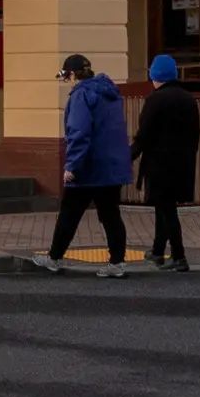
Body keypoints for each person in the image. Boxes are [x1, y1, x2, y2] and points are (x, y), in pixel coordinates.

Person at [42, 53, 132, 271]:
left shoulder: (81, 95)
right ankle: (118, 262)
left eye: (66, 77)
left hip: (89, 166)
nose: (66, 81)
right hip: (111, 166)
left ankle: (54, 257)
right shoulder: (110, 93)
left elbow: (79, 132)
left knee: (69, 214)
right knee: (111, 215)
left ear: (73, 74)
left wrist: (71, 165)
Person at [130, 53, 200, 269]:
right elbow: (195, 134)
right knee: (164, 207)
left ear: (155, 76)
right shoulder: (188, 99)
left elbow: (144, 134)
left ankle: (179, 256)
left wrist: (128, 156)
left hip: (159, 164)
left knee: (167, 210)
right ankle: (157, 250)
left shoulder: (155, 99)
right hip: (183, 163)